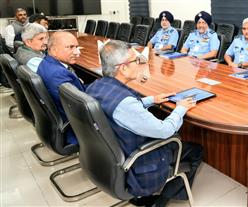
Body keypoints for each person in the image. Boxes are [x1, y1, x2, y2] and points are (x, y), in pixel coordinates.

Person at [86, 40, 203, 207]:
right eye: (136, 60)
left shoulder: (95, 86)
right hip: (138, 165)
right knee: (196, 150)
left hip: (109, 156)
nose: (140, 64)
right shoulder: (126, 104)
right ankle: (161, 201)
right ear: (123, 68)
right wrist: (180, 108)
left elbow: (122, 108)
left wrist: (151, 100)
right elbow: (165, 131)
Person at [37, 31, 83, 145]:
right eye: (71, 47)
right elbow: (81, 106)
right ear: (53, 50)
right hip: (75, 128)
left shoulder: (45, 63)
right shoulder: (59, 74)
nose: (77, 52)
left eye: (77, 47)